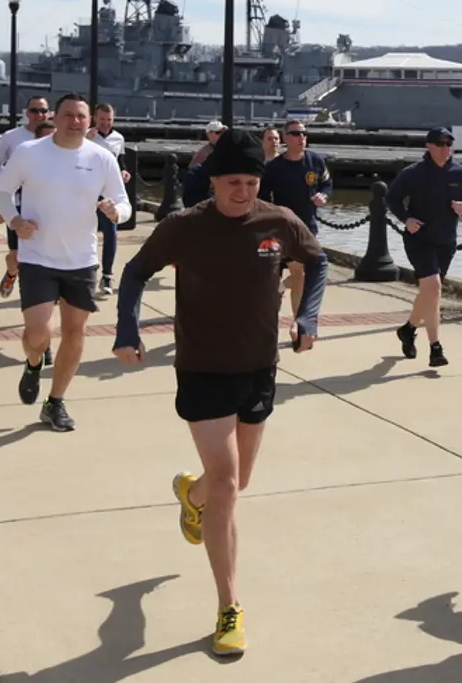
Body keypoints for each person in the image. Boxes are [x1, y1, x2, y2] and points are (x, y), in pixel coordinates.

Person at [112, 129, 326, 657]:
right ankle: (229, 606)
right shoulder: (185, 226)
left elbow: (317, 262)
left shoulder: (279, 221)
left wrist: (308, 316)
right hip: (203, 368)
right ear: (213, 181)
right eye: (233, 182)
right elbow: (136, 273)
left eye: (251, 182)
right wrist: (127, 329)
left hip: (258, 367)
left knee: (236, 481)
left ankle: (192, 495)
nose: (243, 191)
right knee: (228, 486)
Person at [0, 93, 131, 432]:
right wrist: (15, 221)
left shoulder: (102, 157)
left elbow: (124, 202)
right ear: (55, 116)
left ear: (90, 121)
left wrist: (116, 212)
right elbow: (1, 192)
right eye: (68, 115)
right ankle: (34, 362)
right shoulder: (29, 152)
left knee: (74, 332)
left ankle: (55, 402)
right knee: (39, 333)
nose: (75, 121)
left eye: (81, 116)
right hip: (37, 256)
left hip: (81, 259)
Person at [385, 126, 462, 367]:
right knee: (434, 287)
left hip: (446, 242)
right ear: (429, 146)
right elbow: (391, 199)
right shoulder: (413, 173)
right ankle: (435, 348)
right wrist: (407, 219)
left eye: (449, 144)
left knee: (429, 292)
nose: (446, 148)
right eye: (441, 144)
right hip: (419, 239)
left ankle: (408, 329)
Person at [258, 119, 333, 344]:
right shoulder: (274, 168)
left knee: (299, 274)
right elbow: (262, 198)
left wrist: (324, 195)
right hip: (281, 229)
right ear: (286, 138)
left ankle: (298, 323)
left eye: (304, 133)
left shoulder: (315, 161)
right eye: (296, 134)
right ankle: (271, 324)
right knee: (285, 275)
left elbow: (327, 183)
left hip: (307, 226)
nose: (302, 137)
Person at [0, 95, 52, 298]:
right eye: (34, 111)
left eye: (43, 111)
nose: (39, 115)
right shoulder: (12, 137)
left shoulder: (57, 137)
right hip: (16, 202)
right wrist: (8, 182)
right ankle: (11, 273)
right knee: (16, 254)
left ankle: (45, 290)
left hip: (45, 202)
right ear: (27, 113)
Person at [87, 103, 132, 296]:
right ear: (94, 118)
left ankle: (107, 274)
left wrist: (124, 172)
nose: (106, 123)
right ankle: (86, 272)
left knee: (111, 233)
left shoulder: (118, 138)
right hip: (88, 191)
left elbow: (120, 161)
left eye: (109, 120)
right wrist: (84, 140)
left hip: (108, 193)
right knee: (85, 232)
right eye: (102, 119)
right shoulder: (87, 136)